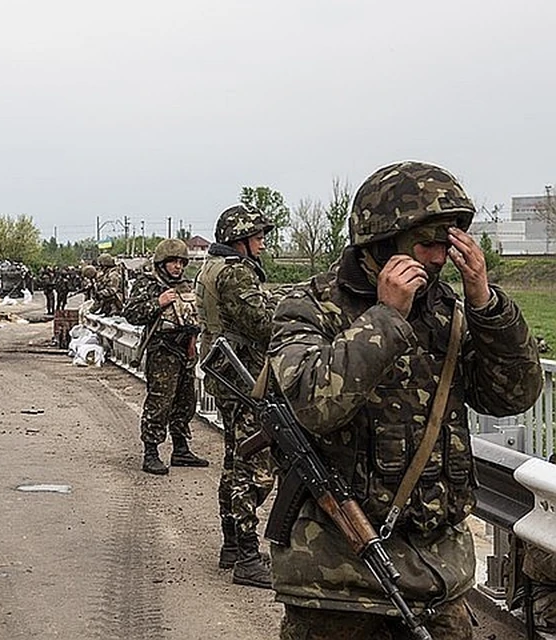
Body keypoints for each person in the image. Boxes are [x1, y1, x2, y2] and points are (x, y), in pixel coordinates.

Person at [267, 161, 543, 639]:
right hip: (339, 584)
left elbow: (513, 395)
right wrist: (386, 316)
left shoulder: (449, 314)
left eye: (450, 243)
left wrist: (487, 306)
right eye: (427, 243)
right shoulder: (310, 306)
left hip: (439, 580)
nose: (439, 258)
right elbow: (313, 405)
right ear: (380, 241)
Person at [195, 204, 279, 587]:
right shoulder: (235, 273)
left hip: (226, 376)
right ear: (239, 240)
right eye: (257, 237)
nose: (262, 244)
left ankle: (233, 545)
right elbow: (262, 324)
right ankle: (246, 554)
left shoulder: (212, 267)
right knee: (255, 467)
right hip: (244, 379)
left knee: (234, 461)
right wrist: (288, 309)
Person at [123, 238, 209, 475]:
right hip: (162, 352)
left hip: (186, 350)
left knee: (186, 402)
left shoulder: (186, 286)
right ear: (162, 263)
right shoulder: (148, 284)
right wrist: (157, 303)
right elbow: (131, 313)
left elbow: (196, 316)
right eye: (172, 262)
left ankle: (181, 449)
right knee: (159, 403)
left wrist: (193, 341)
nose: (177, 267)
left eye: (181, 263)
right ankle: (151, 452)